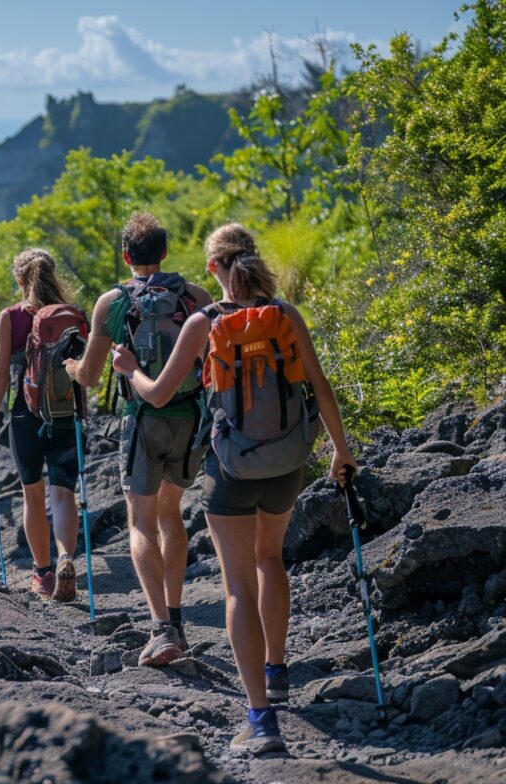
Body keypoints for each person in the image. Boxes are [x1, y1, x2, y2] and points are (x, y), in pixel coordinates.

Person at [108, 223, 358, 755]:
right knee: (271, 561)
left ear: (211, 269)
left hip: (231, 471)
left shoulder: (204, 322)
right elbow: (320, 385)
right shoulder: (286, 314)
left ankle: (261, 723)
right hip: (289, 462)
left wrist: (129, 369)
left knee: (237, 586)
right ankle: (278, 671)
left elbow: (156, 395)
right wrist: (340, 450)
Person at [65, 213, 212, 666]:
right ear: (165, 252)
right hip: (191, 418)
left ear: (126, 256)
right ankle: (177, 617)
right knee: (172, 515)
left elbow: (89, 376)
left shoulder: (112, 302)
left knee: (141, 522)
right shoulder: (196, 297)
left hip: (142, 417)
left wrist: (71, 367)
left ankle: (161, 628)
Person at [0, 249, 83, 600]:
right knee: (64, 493)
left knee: (33, 495)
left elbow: (1, 378)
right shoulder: (74, 316)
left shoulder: (11, 317)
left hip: (25, 417)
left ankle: (43, 573)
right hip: (66, 416)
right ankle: (67, 556)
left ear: (19, 279)